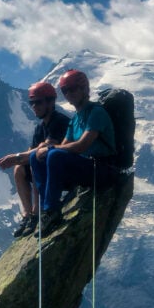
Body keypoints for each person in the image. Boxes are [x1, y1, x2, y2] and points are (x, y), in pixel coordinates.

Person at [29, 69, 117, 235]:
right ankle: (45, 210)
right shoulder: (76, 119)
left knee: (53, 154)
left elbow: (80, 146)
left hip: (102, 169)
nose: (69, 93)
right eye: (65, 91)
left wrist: (50, 148)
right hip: (86, 169)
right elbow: (64, 147)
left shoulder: (96, 112)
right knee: (37, 156)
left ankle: (51, 211)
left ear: (84, 88)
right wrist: (45, 150)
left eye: (73, 89)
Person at [0, 81, 70, 237]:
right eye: (32, 103)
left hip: (61, 172)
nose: (34, 107)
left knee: (35, 163)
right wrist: (16, 160)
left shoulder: (60, 122)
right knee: (19, 169)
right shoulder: (40, 128)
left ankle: (37, 213)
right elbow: (31, 152)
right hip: (48, 173)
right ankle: (27, 215)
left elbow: (47, 148)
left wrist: (15, 157)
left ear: (51, 101)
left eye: (38, 102)